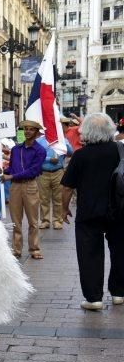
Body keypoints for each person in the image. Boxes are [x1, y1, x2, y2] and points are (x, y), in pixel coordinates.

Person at [61, 113, 124, 311]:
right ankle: (119, 293)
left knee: (89, 255)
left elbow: (67, 187)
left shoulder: (81, 155)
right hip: (119, 209)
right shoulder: (120, 150)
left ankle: (93, 298)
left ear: (85, 131)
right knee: (121, 252)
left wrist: (64, 209)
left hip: (89, 211)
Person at [3, 120, 47, 260]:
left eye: (31, 129)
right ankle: (16, 249)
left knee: (33, 221)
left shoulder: (40, 150)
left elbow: (33, 170)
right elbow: (11, 167)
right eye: (25, 129)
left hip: (30, 185)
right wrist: (3, 171)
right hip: (15, 186)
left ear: (36, 133)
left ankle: (34, 249)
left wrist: (11, 175)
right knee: (16, 220)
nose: (27, 131)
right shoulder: (16, 149)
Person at [36, 133, 73, 230]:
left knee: (58, 197)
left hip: (58, 171)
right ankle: (45, 221)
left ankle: (57, 220)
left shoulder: (62, 139)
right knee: (43, 198)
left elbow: (70, 152)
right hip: (43, 172)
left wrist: (64, 142)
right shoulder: (40, 141)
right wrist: (49, 159)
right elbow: (35, 155)